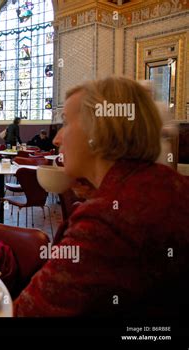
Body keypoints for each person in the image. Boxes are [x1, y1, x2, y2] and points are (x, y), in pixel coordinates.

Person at [13, 77, 189, 317]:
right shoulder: (168, 183)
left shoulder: (106, 220)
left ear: (98, 130)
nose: (57, 139)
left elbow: (28, 313)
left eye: (66, 123)